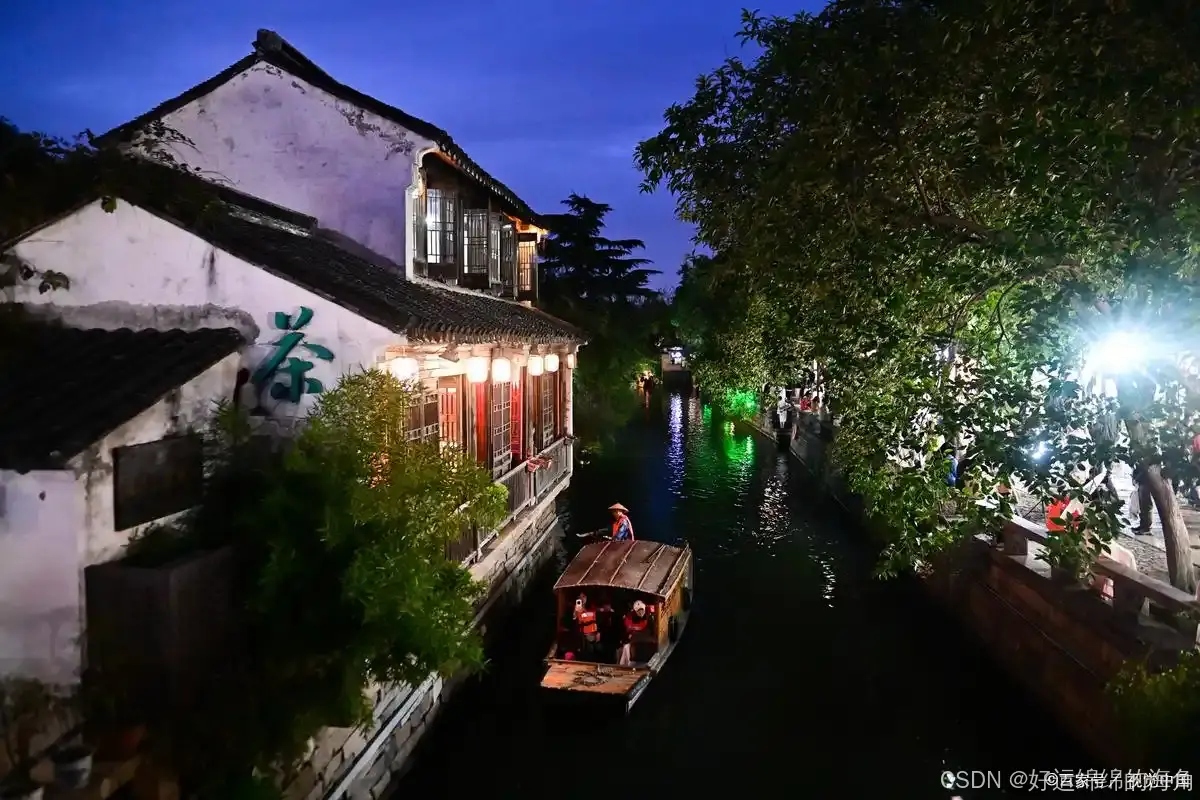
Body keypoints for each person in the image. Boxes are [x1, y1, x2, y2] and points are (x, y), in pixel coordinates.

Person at [618, 599, 655, 667]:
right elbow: (628, 631)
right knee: (625, 647)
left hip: (646, 640)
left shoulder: (650, 615)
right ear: (635, 611)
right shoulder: (629, 619)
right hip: (635, 641)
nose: (640, 612)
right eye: (638, 611)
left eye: (642, 610)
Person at [573, 593, 601, 660]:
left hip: (593, 635)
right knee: (586, 653)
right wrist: (577, 611)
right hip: (582, 636)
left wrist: (598, 632)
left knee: (594, 652)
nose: (582, 598)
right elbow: (576, 619)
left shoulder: (592, 608)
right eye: (580, 597)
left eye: (584, 596)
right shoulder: (578, 607)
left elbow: (595, 620)